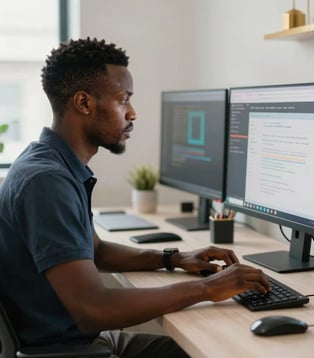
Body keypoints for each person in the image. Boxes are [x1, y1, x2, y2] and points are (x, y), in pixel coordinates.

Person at [0, 38, 271, 357]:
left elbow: (95, 250)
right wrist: (209, 288)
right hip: (68, 350)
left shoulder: (53, 165)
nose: (132, 113)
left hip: (77, 343)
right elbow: (93, 311)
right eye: (123, 99)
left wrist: (173, 258)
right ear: (84, 103)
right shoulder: (47, 181)